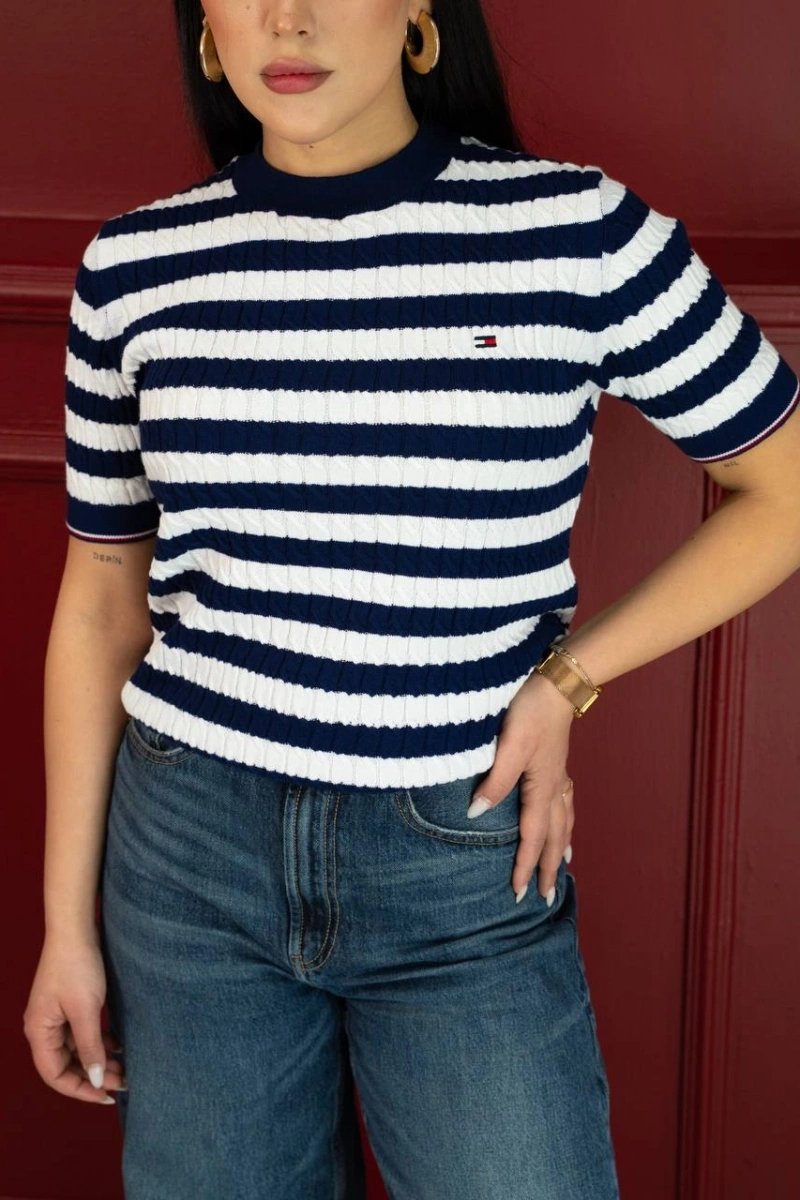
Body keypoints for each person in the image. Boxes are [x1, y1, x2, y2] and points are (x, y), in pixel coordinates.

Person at [23, 2, 800, 1197]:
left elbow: (781, 489)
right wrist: (65, 928)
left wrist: (567, 680)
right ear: (204, 28)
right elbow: (98, 601)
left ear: (418, 12)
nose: (288, 18)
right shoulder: (136, 267)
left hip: (457, 858)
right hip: (186, 858)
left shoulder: (574, 231)